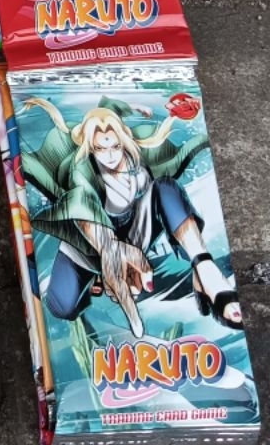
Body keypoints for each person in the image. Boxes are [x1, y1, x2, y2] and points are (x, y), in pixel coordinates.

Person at [22, 96, 243, 337]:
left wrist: (133, 107)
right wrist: (111, 251)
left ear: (123, 140)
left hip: (135, 232)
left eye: (115, 147)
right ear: (90, 147)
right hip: (89, 242)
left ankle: (205, 268)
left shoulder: (140, 157)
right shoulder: (81, 171)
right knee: (62, 306)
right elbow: (82, 204)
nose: (110, 155)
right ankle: (96, 281)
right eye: (100, 149)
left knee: (165, 186)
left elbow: (110, 109)